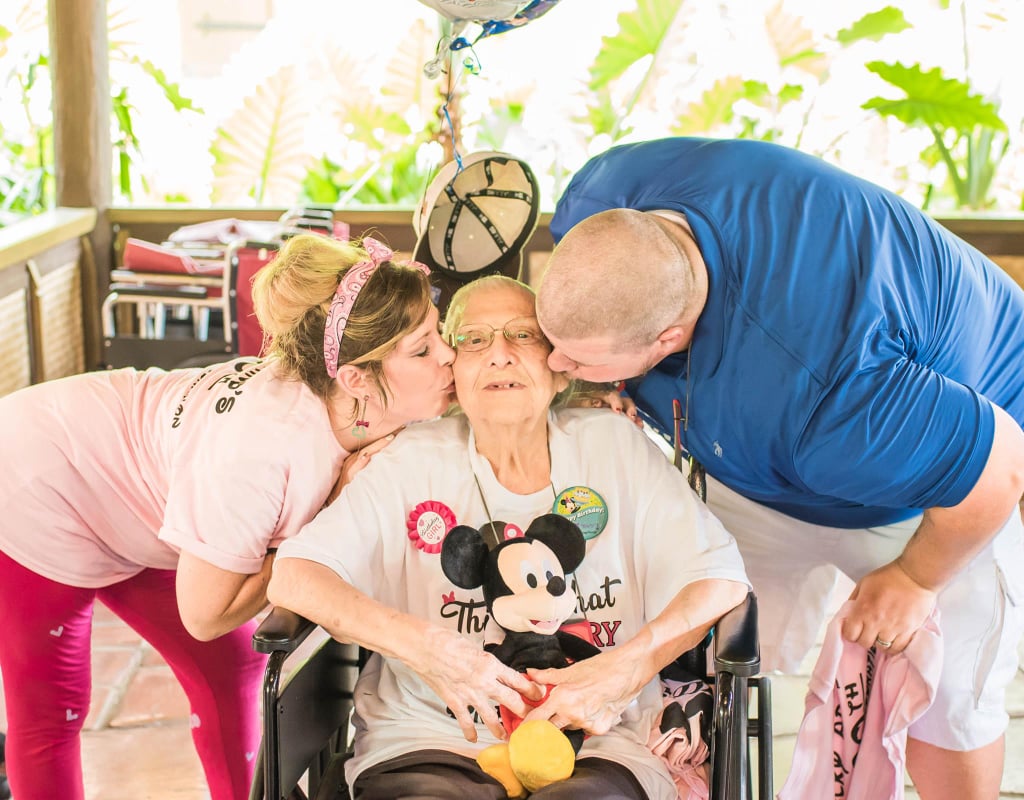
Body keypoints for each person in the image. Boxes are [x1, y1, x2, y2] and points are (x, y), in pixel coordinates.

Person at [533, 136, 1024, 800]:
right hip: (776, 446)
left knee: (946, 689)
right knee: (699, 656)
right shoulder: (601, 193)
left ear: (669, 339)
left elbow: (998, 467)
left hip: (941, 483)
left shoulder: (827, 386)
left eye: (580, 360)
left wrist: (914, 578)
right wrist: (609, 378)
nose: (558, 368)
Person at [0, 233, 456, 800]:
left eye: (439, 334)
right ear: (357, 378)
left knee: (232, 671)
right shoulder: (262, 452)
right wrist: (330, 510)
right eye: (424, 349)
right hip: (35, 476)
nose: (450, 356)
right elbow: (204, 615)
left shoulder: (347, 400)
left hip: (138, 489)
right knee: (54, 707)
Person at [267, 275, 750, 799]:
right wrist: (424, 646)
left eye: (522, 335)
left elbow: (720, 579)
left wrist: (627, 669)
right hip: (428, 738)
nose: (499, 354)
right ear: (453, 369)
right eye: (474, 338)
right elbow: (296, 577)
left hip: (596, 742)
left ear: (559, 368)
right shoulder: (410, 457)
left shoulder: (614, 447)